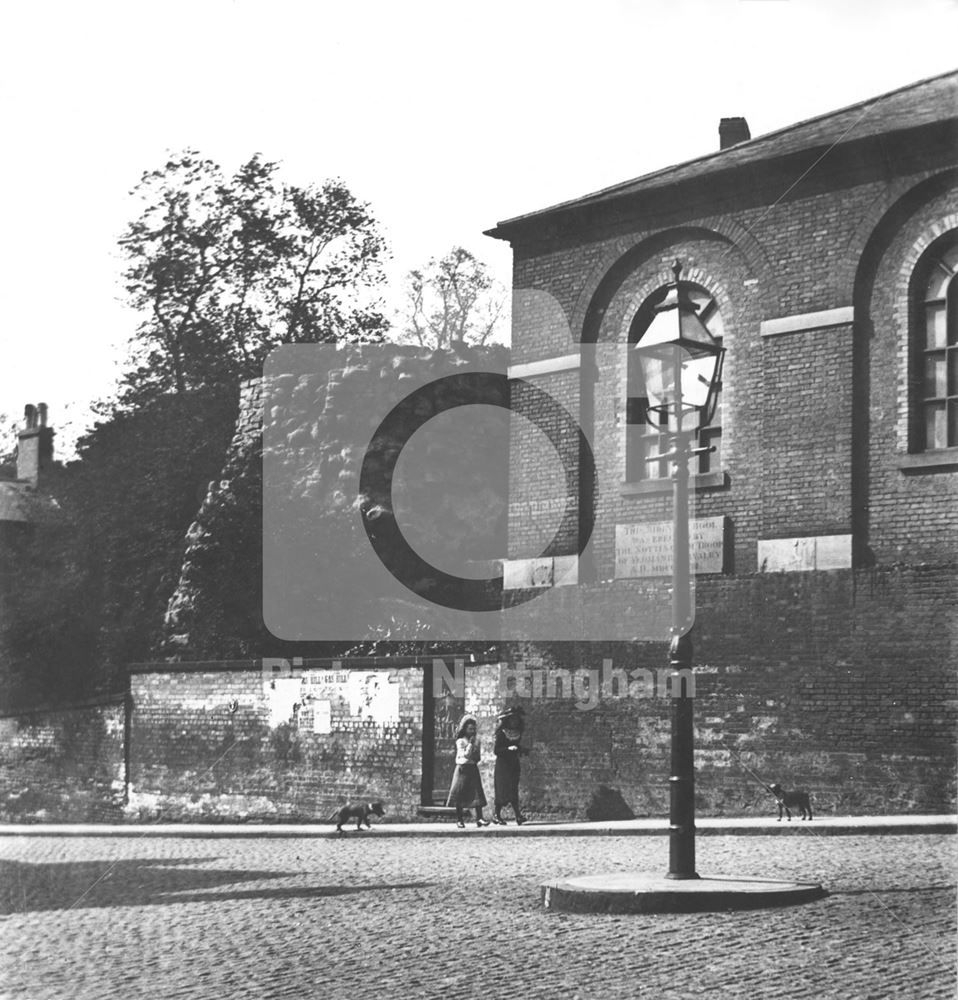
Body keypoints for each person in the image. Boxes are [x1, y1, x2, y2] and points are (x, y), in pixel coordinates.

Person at [445, 714, 490, 828]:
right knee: (459, 794)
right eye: (470, 729)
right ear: (464, 729)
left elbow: (477, 757)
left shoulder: (476, 740)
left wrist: (475, 752)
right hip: (462, 768)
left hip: (472, 768)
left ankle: (479, 818)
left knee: (477, 793)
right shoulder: (461, 741)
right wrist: (470, 744)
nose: (472, 731)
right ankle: (459, 819)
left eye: (474, 729)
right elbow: (465, 755)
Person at [492, 706, 528, 825]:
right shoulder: (502, 733)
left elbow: (516, 746)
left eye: (516, 719)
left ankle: (518, 815)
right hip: (503, 765)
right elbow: (497, 750)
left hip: (513, 764)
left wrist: (521, 750)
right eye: (512, 719)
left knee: (513, 789)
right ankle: (496, 815)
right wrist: (508, 748)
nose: (515, 721)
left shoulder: (517, 732)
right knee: (502, 790)